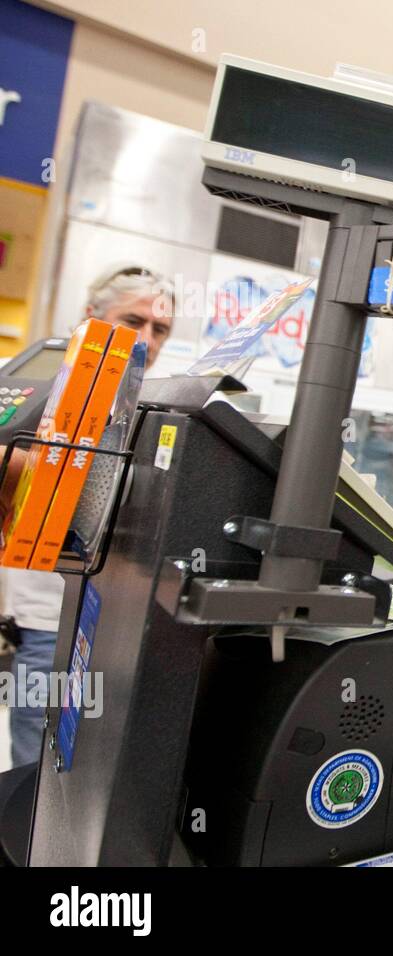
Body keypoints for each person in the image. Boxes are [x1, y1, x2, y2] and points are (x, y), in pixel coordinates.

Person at [2, 265, 172, 768]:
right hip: (44, 619)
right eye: (131, 320)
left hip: (114, 623)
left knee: (91, 768)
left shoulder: (156, 410)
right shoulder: (41, 391)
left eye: (159, 329)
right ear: (91, 318)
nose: (145, 338)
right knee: (33, 768)